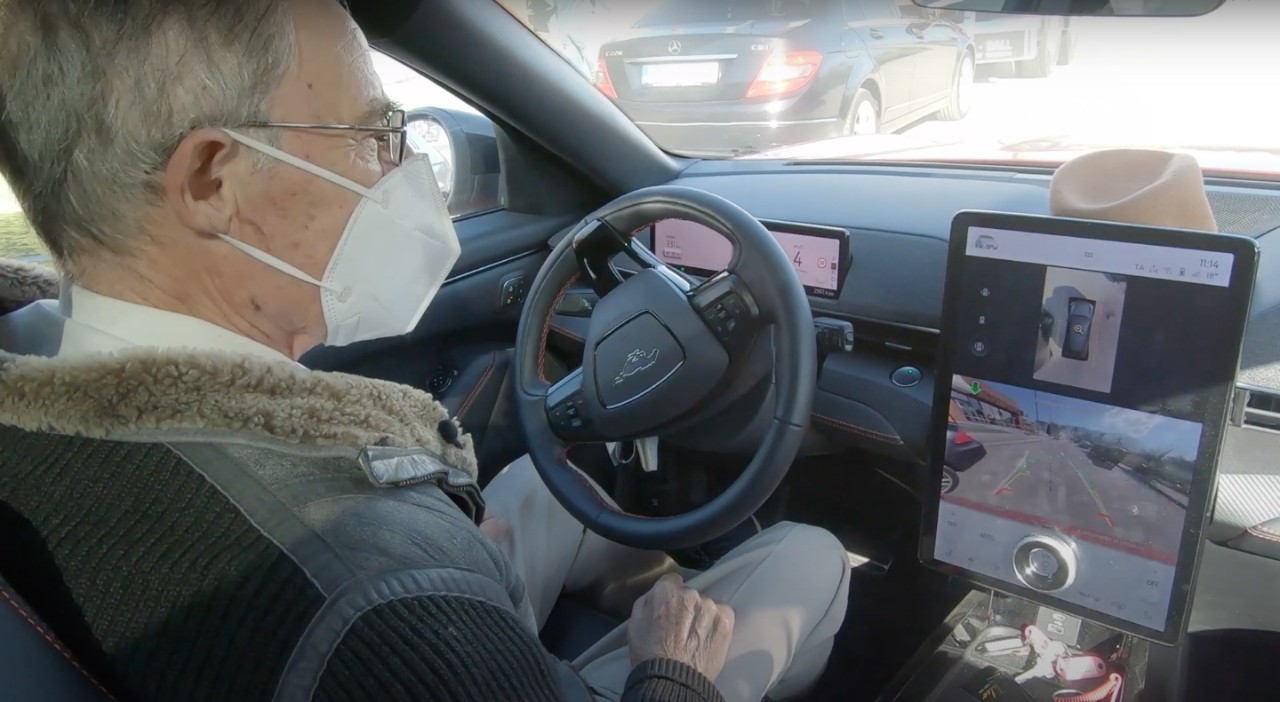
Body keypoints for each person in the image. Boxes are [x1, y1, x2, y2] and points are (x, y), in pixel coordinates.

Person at [0, 1, 851, 701]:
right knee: (811, 555)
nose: (401, 172)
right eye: (374, 139)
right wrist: (674, 670)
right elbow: (395, 614)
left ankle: (651, 576)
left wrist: (438, 536)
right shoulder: (392, 625)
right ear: (214, 181)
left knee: (533, 489)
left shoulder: (35, 376)